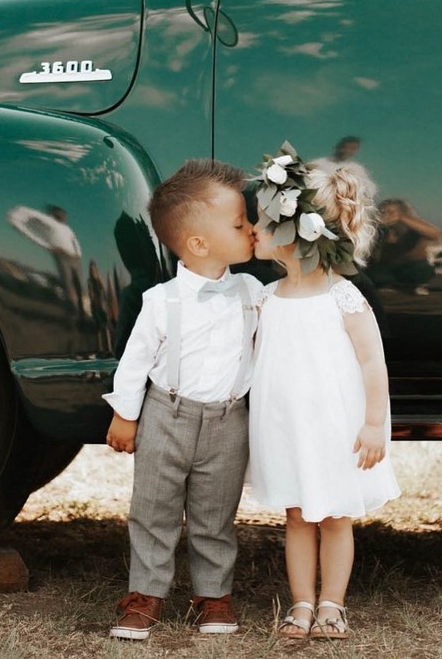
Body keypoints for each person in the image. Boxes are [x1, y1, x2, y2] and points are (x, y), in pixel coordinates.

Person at [102, 159, 262, 641]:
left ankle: (213, 596)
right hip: (166, 415)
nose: (252, 230)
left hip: (228, 419)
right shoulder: (161, 300)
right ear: (198, 243)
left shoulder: (254, 292)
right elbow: (134, 361)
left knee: (216, 514)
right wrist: (125, 416)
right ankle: (145, 595)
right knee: (153, 509)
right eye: (240, 224)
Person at [249, 145, 400, 640]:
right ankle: (301, 603)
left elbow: (371, 361)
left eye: (263, 222)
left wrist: (374, 422)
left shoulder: (342, 295)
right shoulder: (267, 298)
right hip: (287, 428)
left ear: (294, 232)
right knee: (297, 514)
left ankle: (332, 604)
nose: (253, 230)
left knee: (334, 515)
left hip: (335, 428)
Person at [368, 198, 442, 295]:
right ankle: (390, 285)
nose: (387, 214)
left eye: (391, 212)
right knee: (371, 273)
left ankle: (414, 285)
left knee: (422, 270)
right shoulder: (378, 229)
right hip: (388, 269)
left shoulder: (413, 227)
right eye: (383, 212)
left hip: (412, 267)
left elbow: (436, 235)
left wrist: (401, 218)